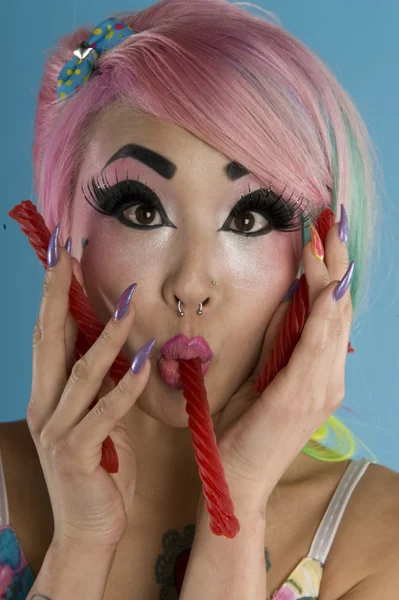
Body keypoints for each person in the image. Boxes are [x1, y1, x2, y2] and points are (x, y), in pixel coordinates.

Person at [1, 1, 398, 599]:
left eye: (248, 217)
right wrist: (82, 542)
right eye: (142, 210)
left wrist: (235, 511)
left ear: (319, 253)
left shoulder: (382, 539)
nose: (191, 284)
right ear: (62, 234)